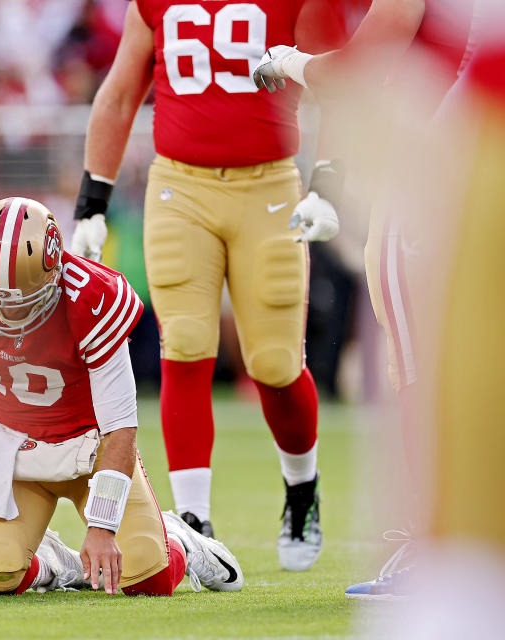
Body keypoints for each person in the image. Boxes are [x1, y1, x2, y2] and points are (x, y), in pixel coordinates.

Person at [70, 0, 348, 570]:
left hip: (267, 183)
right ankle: (194, 519)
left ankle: (302, 486)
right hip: (180, 186)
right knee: (187, 342)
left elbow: (339, 78)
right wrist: (90, 203)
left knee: (274, 362)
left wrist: (326, 182)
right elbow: (120, 94)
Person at [251, 0, 481, 599]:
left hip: (455, 165)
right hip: (475, 155)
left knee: (418, 359)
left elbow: (359, 66)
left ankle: (437, 550)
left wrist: (289, 60)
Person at [0, 197, 243, 596]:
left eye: (20, 302)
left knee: (146, 578)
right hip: (15, 447)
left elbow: (120, 427)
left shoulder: (92, 297)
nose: (4, 315)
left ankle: (180, 541)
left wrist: (103, 527)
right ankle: (59, 565)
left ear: (54, 275)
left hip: (92, 448)